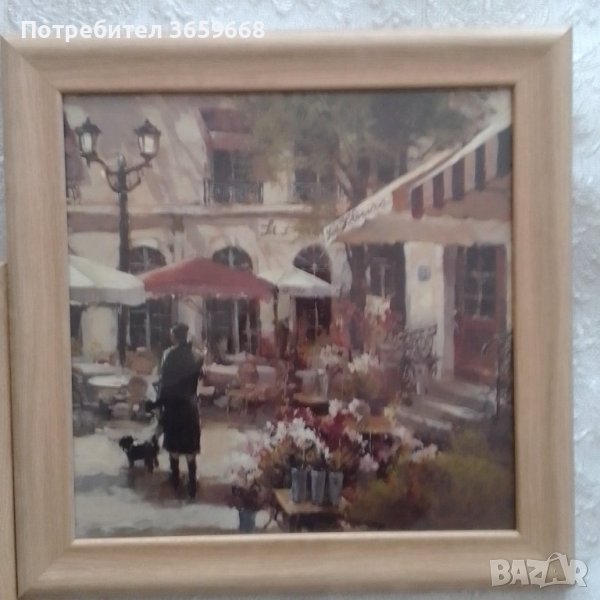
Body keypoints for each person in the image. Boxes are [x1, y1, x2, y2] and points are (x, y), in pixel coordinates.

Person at [156, 323, 202, 499]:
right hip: (189, 405)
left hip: (173, 405)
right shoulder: (196, 355)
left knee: (174, 443)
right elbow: (198, 380)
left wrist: (160, 404)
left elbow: (164, 383)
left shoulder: (168, 355)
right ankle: (192, 483)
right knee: (190, 447)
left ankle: (175, 479)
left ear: (174, 336)